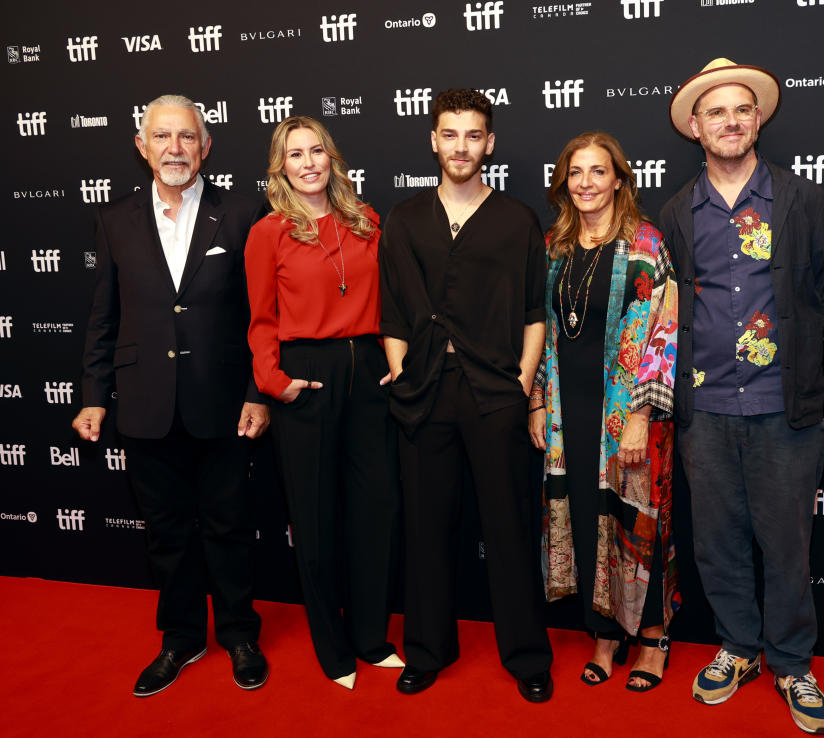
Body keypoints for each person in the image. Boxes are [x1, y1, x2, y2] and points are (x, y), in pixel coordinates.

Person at [659, 59, 824, 734]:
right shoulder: (678, 211)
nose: (730, 121)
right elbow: (673, 300)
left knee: (787, 541)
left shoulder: (799, 199)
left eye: (741, 110)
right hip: (703, 407)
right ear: (695, 128)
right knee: (716, 540)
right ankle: (738, 647)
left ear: (757, 119)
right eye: (715, 112)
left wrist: (784, 352)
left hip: (779, 404)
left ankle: (792, 662)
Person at [72, 94, 270, 696]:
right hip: (144, 403)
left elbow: (263, 314)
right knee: (167, 533)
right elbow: (104, 315)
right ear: (142, 146)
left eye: (186, 137)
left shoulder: (243, 213)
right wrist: (92, 396)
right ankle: (180, 640)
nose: (174, 149)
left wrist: (256, 392)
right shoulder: (115, 219)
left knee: (229, 526)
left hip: (222, 401)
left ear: (206, 146)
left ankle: (239, 635)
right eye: (162, 138)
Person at [379, 88, 554, 702]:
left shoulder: (517, 219)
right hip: (425, 391)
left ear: (490, 142)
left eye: (473, 135)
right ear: (433, 140)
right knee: (425, 529)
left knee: (508, 528)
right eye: (450, 134)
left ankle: (528, 656)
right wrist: (401, 373)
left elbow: (536, 311)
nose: (461, 146)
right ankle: (426, 650)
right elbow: (393, 311)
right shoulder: (403, 219)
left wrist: (524, 382)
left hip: (495, 392)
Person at [245, 116, 402, 690]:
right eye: (296, 154)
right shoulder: (269, 232)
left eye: (318, 151)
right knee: (313, 516)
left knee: (376, 510)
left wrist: (395, 361)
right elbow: (259, 319)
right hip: (305, 374)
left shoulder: (368, 223)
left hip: (368, 370)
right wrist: (274, 380)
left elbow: (393, 303)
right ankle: (332, 648)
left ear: (333, 159)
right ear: (280, 167)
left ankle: (371, 637)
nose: (309, 162)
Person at [529, 132, 679, 692]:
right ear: (565, 183)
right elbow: (541, 330)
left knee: (638, 521)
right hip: (572, 410)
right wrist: (539, 399)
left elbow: (665, 334)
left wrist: (642, 412)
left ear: (619, 178)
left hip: (627, 414)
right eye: (576, 173)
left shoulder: (645, 244)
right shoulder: (555, 247)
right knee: (586, 513)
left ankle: (652, 637)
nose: (587, 183)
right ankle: (605, 633)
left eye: (598, 171)